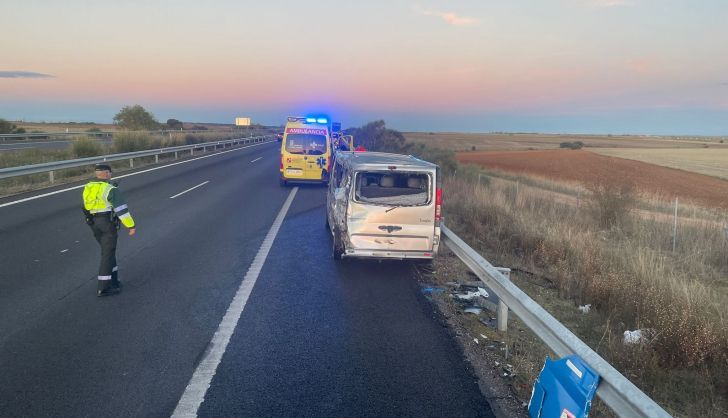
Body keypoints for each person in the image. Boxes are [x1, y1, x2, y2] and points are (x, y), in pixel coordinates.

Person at [82, 164, 136, 297]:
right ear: (107, 174)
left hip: (94, 223)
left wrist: (90, 220)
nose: (111, 175)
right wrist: (131, 226)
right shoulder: (111, 189)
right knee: (107, 254)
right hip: (106, 223)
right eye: (110, 173)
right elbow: (122, 210)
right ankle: (104, 288)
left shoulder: (88, 187)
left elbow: (84, 206)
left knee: (108, 251)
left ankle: (114, 280)